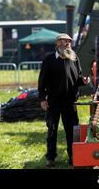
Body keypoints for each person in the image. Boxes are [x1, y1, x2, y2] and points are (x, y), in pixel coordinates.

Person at [38, 33, 90, 167]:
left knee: (72, 131)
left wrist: (84, 81)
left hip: (70, 102)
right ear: (57, 44)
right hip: (53, 102)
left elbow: (78, 78)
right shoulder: (49, 60)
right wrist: (42, 99)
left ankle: (73, 157)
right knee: (52, 130)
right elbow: (42, 81)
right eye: (62, 41)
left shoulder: (74, 58)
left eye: (68, 42)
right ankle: (50, 158)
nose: (65, 44)